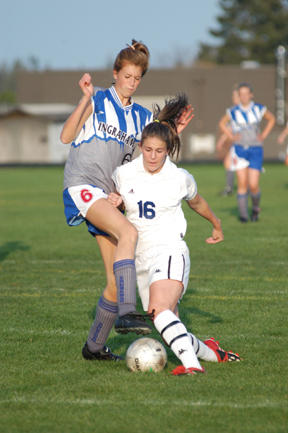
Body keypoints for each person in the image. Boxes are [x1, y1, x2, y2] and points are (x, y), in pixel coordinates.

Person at [60, 40, 193, 362]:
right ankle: (127, 313)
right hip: (83, 186)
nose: (131, 83)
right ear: (115, 73)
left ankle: (93, 348)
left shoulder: (142, 116)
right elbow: (66, 137)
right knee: (129, 235)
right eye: (127, 76)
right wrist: (85, 99)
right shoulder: (99, 99)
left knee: (113, 283)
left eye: (137, 78)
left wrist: (173, 129)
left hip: (108, 197)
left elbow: (152, 151)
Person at [109, 94, 240, 376]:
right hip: (139, 258)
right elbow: (120, 207)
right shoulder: (123, 174)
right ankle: (212, 352)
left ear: (168, 150)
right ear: (140, 147)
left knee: (158, 310)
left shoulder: (179, 177)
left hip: (169, 251)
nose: (153, 156)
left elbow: (197, 202)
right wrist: (115, 202)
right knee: (165, 322)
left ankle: (192, 367)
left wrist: (216, 224)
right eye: (148, 150)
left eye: (159, 151)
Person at [219, 83, 275, 222]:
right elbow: (221, 123)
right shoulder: (233, 111)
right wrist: (231, 137)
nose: (244, 96)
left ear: (251, 94)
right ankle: (243, 215)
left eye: (246, 93)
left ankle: (255, 209)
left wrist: (264, 135)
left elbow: (272, 119)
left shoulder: (258, 108)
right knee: (242, 183)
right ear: (239, 96)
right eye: (241, 94)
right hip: (239, 149)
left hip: (255, 149)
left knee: (254, 185)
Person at [216, 87, 240, 196]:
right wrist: (223, 139)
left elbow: (229, 128)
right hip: (237, 143)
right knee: (229, 163)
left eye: (235, 96)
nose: (233, 98)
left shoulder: (240, 110)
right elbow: (229, 127)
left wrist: (222, 140)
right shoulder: (234, 110)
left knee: (234, 165)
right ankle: (231, 188)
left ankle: (235, 188)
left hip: (244, 143)